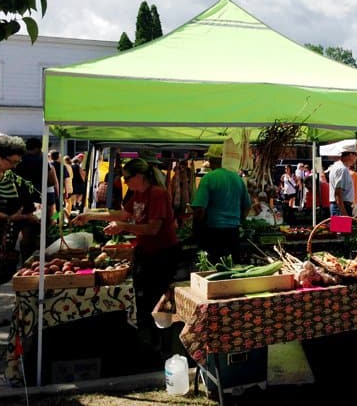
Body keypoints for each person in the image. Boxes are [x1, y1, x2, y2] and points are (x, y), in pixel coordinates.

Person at [71, 158, 180, 348]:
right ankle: (150, 340)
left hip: (162, 254)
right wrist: (90, 215)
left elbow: (153, 229)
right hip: (146, 252)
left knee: (156, 298)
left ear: (139, 176)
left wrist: (123, 227)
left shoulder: (157, 194)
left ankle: (161, 343)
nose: (125, 182)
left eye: (127, 178)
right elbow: (121, 214)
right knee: (145, 298)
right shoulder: (138, 194)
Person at [191, 145, 252, 264]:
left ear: (211, 160)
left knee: (213, 270)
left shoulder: (208, 178)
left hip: (213, 233)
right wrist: (238, 221)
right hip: (233, 233)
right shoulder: (237, 179)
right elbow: (247, 206)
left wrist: (196, 230)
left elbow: (200, 209)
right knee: (232, 269)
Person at [0, 136, 28, 327]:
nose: (14, 166)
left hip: (1, 239)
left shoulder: (5, 177)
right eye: (11, 162)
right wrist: (9, 217)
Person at [327, 144, 357, 217]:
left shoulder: (338, 167)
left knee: (339, 228)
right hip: (341, 208)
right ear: (350, 155)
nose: (356, 158)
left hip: (339, 207)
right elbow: (338, 193)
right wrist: (344, 214)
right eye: (355, 155)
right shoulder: (342, 169)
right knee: (341, 228)